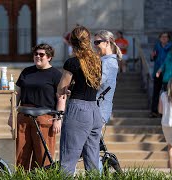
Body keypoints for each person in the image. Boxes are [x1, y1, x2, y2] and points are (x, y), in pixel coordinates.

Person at [57, 25, 102, 175]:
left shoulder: (72, 62)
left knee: (69, 158)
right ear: (88, 41)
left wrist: (66, 90)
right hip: (94, 110)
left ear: (71, 42)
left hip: (78, 109)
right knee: (93, 160)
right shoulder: (97, 61)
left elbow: (61, 88)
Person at [15, 43, 66, 170]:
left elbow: (61, 98)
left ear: (49, 57)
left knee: (43, 155)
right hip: (24, 116)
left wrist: (58, 119)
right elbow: (17, 94)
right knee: (21, 154)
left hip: (45, 117)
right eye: (36, 54)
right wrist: (12, 113)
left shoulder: (56, 75)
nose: (38, 56)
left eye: (41, 54)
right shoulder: (26, 72)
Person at [94, 30, 121, 171]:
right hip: (99, 108)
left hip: (99, 108)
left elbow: (98, 83)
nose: (95, 45)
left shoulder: (109, 62)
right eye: (94, 42)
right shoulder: (106, 60)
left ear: (107, 42)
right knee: (92, 146)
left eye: (98, 42)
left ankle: (98, 172)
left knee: (92, 147)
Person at [150, 32, 172, 118]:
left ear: (168, 38)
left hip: (167, 73)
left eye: (166, 37)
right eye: (162, 37)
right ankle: (154, 111)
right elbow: (153, 58)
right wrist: (152, 56)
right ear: (159, 38)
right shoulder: (157, 46)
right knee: (156, 92)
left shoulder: (171, 47)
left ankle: (166, 112)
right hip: (157, 72)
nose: (164, 38)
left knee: (168, 92)